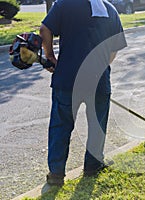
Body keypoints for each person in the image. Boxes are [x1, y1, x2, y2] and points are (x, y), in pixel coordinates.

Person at [39, 0, 127, 186]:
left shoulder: (65, 4)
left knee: (60, 126)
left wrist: (50, 57)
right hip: (98, 81)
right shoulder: (110, 10)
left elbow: (44, 29)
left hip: (67, 79)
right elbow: (113, 51)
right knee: (97, 125)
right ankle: (93, 166)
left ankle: (56, 174)